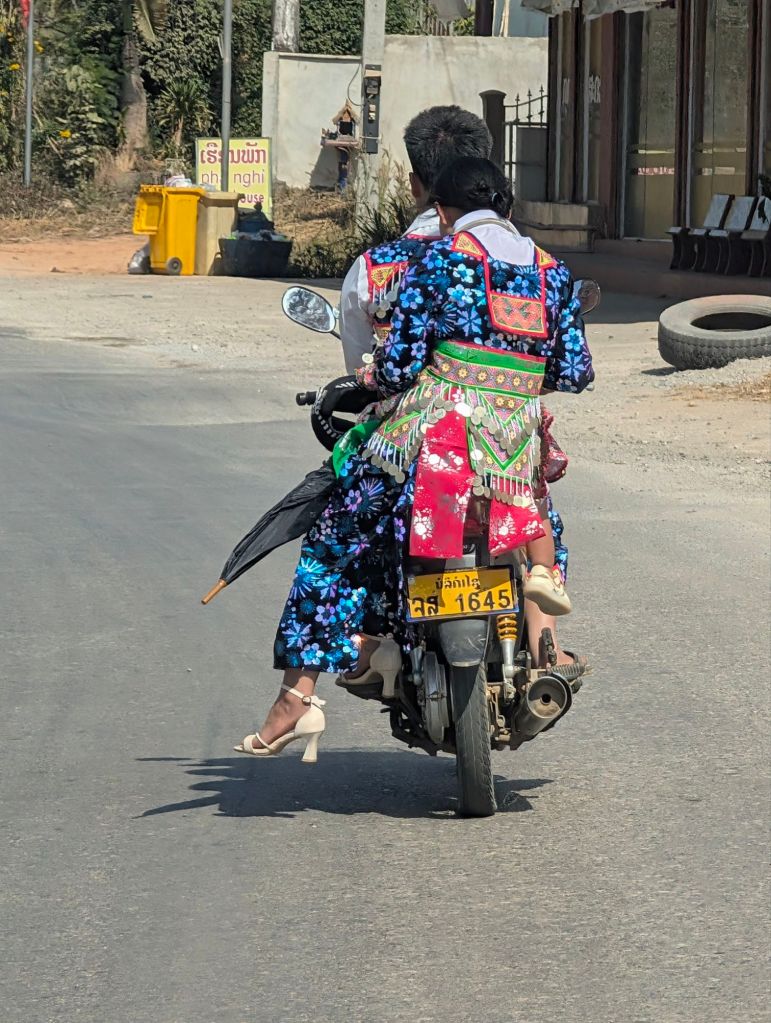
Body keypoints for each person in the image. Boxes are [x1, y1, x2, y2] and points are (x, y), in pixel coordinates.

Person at [234, 157, 594, 760]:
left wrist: (375, 377)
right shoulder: (552, 272)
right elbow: (575, 371)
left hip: (437, 441)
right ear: (507, 207)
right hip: (513, 448)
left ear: (443, 211)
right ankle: (545, 650)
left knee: (335, 538)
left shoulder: (438, 260)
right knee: (542, 523)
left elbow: (399, 366)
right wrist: (511, 381)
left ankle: (297, 697)